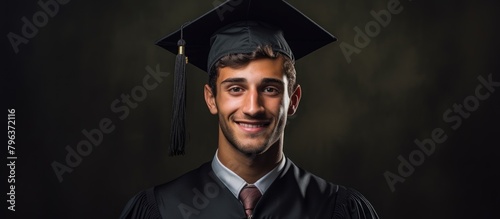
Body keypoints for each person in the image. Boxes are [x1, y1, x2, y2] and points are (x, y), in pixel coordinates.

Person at [121, 0, 379, 218]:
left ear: (294, 100)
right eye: (236, 89)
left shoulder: (337, 210)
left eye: (270, 89)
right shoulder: (163, 210)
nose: (253, 107)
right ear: (211, 99)